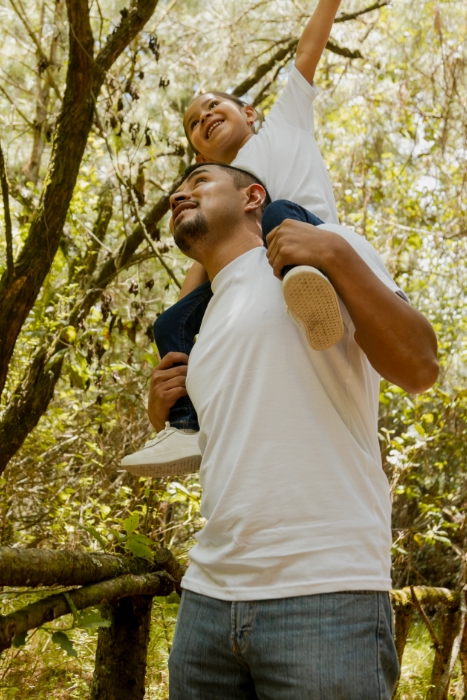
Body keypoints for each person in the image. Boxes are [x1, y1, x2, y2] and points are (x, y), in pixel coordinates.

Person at [151, 163, 438, 698]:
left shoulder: (324, 248)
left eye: (198, 183)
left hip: (325, 593)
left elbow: (419, 367)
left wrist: (333, 253)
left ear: (253, 197)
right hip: (208, 600)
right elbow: (236, 446)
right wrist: (163, 411)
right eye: (175, 191)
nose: (178, 195)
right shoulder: (205, 323)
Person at [119, 0, 350, 477]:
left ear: (249, 112)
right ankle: (185, 426)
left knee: (279, 214)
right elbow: (200, 266)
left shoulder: (285, 125)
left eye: (212, 107)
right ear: (197, 150)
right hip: (254, 271)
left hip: (312, 242)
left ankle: (311, 292)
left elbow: (308, 49)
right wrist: (177, 323)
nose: (203, 118)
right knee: (169, 324)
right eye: (193, 125)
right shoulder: (216, 191)